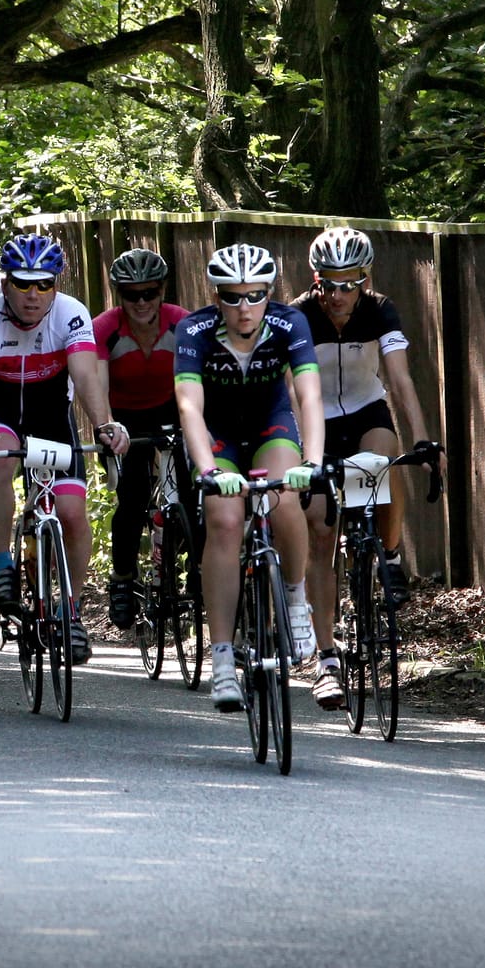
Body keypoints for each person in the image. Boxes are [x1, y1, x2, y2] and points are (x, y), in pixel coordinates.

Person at [0, 233, 130, 665]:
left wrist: (106, 424)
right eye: (22, 283)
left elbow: (87, 379)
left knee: (71, 513)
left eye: (44, 284)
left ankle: (70, 613)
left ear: (57, 284)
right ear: (7, 283)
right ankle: (2, 567)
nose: (33, 295)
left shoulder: (71, 315)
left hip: (52, 417)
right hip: (1, 416)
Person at [291, 227, 441, 711]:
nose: (337, 295)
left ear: (364, 280)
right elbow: (292, 390)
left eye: (348, 284)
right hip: (315, 421)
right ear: (316, 281)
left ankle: (390, 555)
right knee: (320, 532)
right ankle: (327, 660)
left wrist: (422, 440)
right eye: (328, 284)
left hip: (364, 410)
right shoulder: (297, 315)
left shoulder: (381, 310)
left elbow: (398, 379)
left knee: (381, 460)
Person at [174, 242, 325, 711]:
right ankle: (222, 658)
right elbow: (189, 407)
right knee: (222, 521)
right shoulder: (193, 330)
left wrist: (313, 463)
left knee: (283, 498)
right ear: (216, 296)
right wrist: (207, 471)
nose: (245, 307)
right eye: (234, 296)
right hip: (217, 434)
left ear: (269, 293)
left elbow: (310, 396)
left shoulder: (289, 323)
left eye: (256, 295)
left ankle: (297, 602)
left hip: (269, 425)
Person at [91, 248, 192, 632]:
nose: (142, 302)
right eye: (132, 294)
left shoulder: (180, 324)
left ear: (161, 290)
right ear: (120, 295)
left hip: (171, 410)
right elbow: (96, 385)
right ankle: (122, 579)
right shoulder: (106, 328)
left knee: (193, 490)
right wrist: (107, 425)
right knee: (131, 498)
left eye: (149, 292)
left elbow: (196, 382)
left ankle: (192, 571)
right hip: (123, 419)